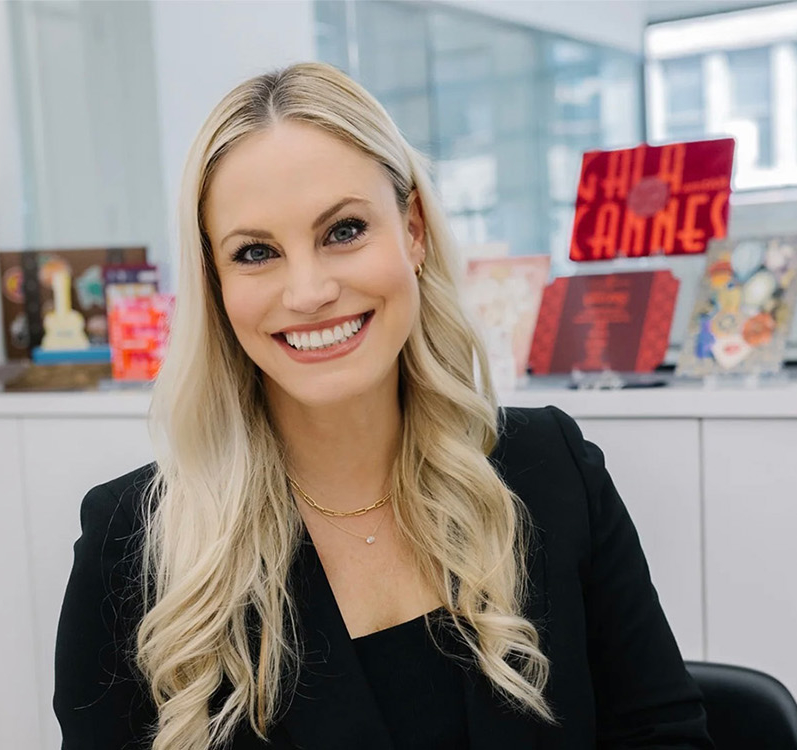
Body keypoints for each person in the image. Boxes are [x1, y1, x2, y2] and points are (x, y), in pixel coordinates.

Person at [53, 62, 711, 750]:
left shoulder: (552, 470)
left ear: (414, 231)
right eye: (255, 252)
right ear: (216, 285)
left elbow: (663, 733)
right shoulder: (130, 547)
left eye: (342, 231)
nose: (308, 291)